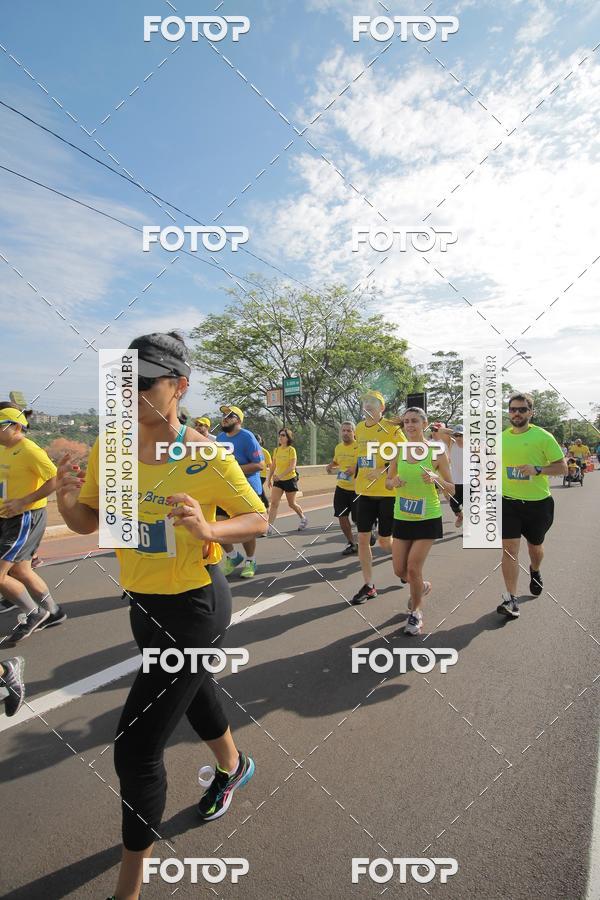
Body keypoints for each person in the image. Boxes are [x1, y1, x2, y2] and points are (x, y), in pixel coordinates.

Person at [56, 332, 266, 900]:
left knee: (135, 749)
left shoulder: (205, 454)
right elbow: (91, 525)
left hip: (196, 607)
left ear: (179, 387)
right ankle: (234, 766)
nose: (129, 392)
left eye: (143, 382)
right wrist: (66, 499)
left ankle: (128, 892)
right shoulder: (111, 447)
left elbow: (258, 519)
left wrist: (210, 528)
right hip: (143, 603)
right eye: (122, 381)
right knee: (193, 694)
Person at [498, 392, 567, 619]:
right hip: (508, 502)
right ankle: (511, 599)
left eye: (521, 409)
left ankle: (535, 570)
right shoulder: (501, 437)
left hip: (538, 505)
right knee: (509, 548)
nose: (516, 413)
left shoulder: (543, 437)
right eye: (512, 409)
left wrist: (538, 470)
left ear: (531, 412)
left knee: (534, 548)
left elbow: (562, 468)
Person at [386, 407, 454, 635]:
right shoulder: (398, 450)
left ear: (424, 424)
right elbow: (387, 481)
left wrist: (436, 478)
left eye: (415, 421)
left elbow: (452, 488)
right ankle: (422, 587)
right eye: (406, 421)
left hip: (428, 516)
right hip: (402, 516)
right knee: (399, 570)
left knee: (413, 568)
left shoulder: (436, 451)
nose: (410, 425)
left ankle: (416, 613)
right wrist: (393, 482)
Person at [0, 404, 66, 639]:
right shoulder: (3, 448)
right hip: (6, 518)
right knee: (21, 570)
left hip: (24, 518)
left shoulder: (30, 450)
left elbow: (56, 478)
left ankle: (33, 612)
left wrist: (23, 501)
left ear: (16, 427)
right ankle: (54, 612)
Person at [351, 391, 406, 605]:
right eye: (365, 402)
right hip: (363, 492)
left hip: (386, 493)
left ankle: (401, 564)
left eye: (373, 403)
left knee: (384, 541)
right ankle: (369, 585)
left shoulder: (391, 428)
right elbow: (360, 456)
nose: (368, 405)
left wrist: (383, 469)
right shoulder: (358, 428)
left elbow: (402, 452)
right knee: (363, 539)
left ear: (381, 408)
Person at [216, 405, 264, 579]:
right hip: (224, 490)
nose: (225, 418)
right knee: (218, 527)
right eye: (223, 415)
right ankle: (232, 557)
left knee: (246, 530)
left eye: (229, 415)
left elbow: (259, 465)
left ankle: (250, 561)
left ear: (238, 420)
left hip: (247, 489)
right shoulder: (220, 437)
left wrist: (234, 469)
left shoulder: (247, 437)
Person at [326, 421, 359, 555]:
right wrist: (330, 465)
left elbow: (369, 461)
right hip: (341, 487)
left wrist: (356, 467)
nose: (345, 433)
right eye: (343, 431)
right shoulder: (338, 447)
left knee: (358, 519)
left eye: (348, 431)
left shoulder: (359, 447)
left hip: (357, 489)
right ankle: (352, 543)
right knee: (342, 516)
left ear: (354, 433)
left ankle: (368, 533)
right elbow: (336, 461)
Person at [267, 428, 307, 533]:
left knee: (291, 503)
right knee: (274, 503)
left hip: (289, 479)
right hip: (278, 480)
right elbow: (273, 466)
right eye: (280, 435)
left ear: (288, 437)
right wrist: (269, 478)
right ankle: (269, 527)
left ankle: (303, 518)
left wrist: (280, 476)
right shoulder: (276, 450)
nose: (280, 437)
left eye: (283, 435)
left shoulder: (291, 450)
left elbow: (292, 466)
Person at [437, 424, 464, 527]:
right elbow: (440, 431)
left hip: (469, 481)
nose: (458, 437)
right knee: (454, 504)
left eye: (460, 435)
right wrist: (453, 431)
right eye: (456, 435)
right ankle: (460, 516)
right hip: (455, 481)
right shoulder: (451, 444)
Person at [254, 433, 271, 511]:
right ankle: (263, 507)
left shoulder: (264, 452)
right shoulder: (250, 450)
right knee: (257, 491)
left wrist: (270, 477)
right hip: (253, 475)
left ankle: (266, 506)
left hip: (261, 475)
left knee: (258, 490)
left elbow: (270, 465)